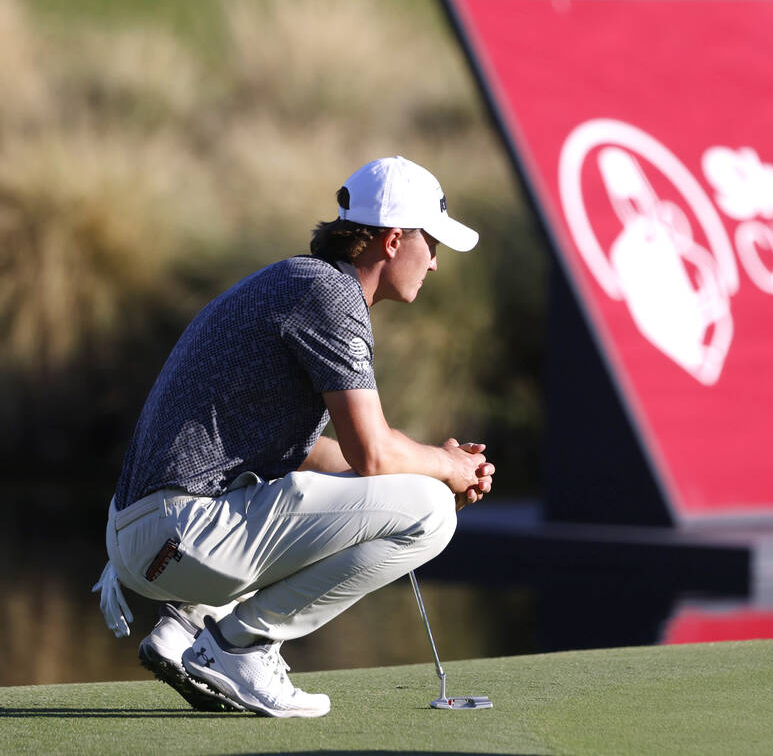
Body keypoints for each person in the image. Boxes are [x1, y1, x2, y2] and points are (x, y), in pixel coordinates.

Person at [91, 156, 494, 718]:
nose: (435, 265)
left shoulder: (298, 282)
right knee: (430, 511)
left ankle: (189, 629)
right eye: (433, 245)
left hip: (148, 535)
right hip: (178, 531)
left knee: (403, 488)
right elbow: (371, 452)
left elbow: (308, 453)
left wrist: (429, 464)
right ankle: (241, 646)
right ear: (394, 240)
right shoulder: (329, 295)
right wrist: (443, 469)